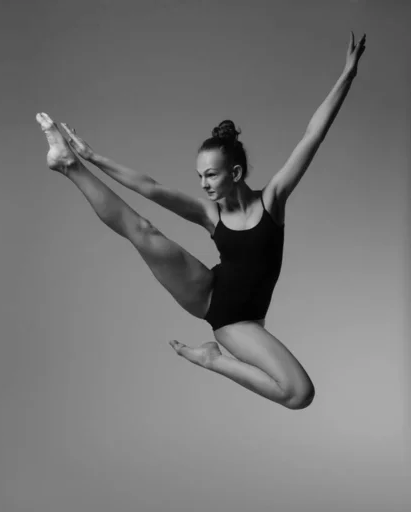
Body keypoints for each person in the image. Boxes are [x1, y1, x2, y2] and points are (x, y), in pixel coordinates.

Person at [36, 32, 366, 410]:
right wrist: (94, 157)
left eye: (211, 176)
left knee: (299, 394)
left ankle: (213, 360)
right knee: (142, 231)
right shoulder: (212, 215)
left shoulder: (274, 199)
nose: (203, 184)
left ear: (236, 172)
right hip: (207, 293)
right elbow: (152, 187)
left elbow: (313, 134)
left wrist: (348, 73)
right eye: (200, 177)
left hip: (239, 322)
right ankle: (69, 165)